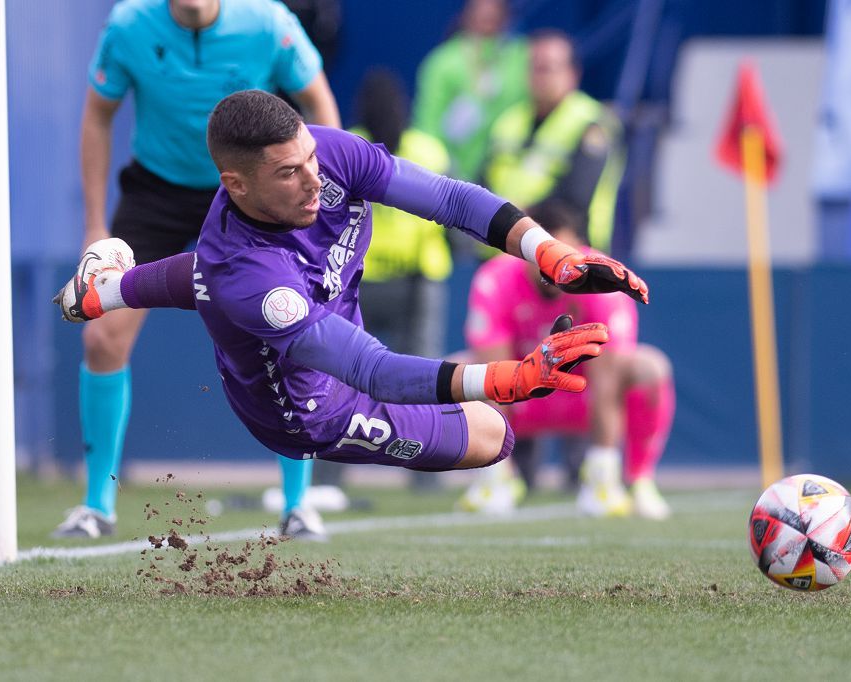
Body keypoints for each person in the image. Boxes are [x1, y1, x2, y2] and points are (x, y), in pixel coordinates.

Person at [53, 90, 650, 488]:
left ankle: (106, 289)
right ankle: (110, 289)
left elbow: (450, 199)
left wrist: (552, 253)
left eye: (309, 158)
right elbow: (375, 373)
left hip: (314, 318)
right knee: (495, 434)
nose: (315, 180)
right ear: (235, 184)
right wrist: (509, 379)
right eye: (289, 173)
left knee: (212, 278)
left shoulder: (325, 155)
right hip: (309, 405)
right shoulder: (250, 279)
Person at [54, 0, 341, 541]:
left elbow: (319, 104)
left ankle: (298, 506)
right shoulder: (128, 26)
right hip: (156, 193)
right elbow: (97, 115)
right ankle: (96, 506)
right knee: (102, 340)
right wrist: (95, 223)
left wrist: (319, 203)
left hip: (251, 196)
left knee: (291, 330)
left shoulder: (269, 24)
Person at [458, 201, 674, 519]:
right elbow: (492, 371)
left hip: (586, 395)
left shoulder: (601, 276)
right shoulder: (495, 279)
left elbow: (608, 376)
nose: (555, 265)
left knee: (651, 368)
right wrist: (498, 460)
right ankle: (495, 475)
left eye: (563, 250)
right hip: (522, 393)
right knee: (457, 372)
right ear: (525, 251)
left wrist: (603, 458)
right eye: (547, 252)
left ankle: (626, 479)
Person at [345, 68, 453, 491]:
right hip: (408, 279)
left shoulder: (346, 144)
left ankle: (326, 478)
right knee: (425, 377)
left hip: (363, 278)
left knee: (340, 376)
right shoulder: (430, 150)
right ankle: (429, 475)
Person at [482, 29, 624, 253]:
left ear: (572, 74)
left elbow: (575, 198)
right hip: (502, 250)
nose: (539, 76)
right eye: (534, 68)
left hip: (569, 251)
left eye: (547, 68)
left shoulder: (591, 123)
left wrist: (514, 215)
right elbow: (483, 178)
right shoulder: (508, 121)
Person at [413, 0, 528, 183]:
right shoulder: (443, 62)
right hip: (452, 174)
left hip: (506, 170)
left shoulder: (521, 57)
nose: (488, 14)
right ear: (466, 14)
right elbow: (428, 123)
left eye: (494, 9)